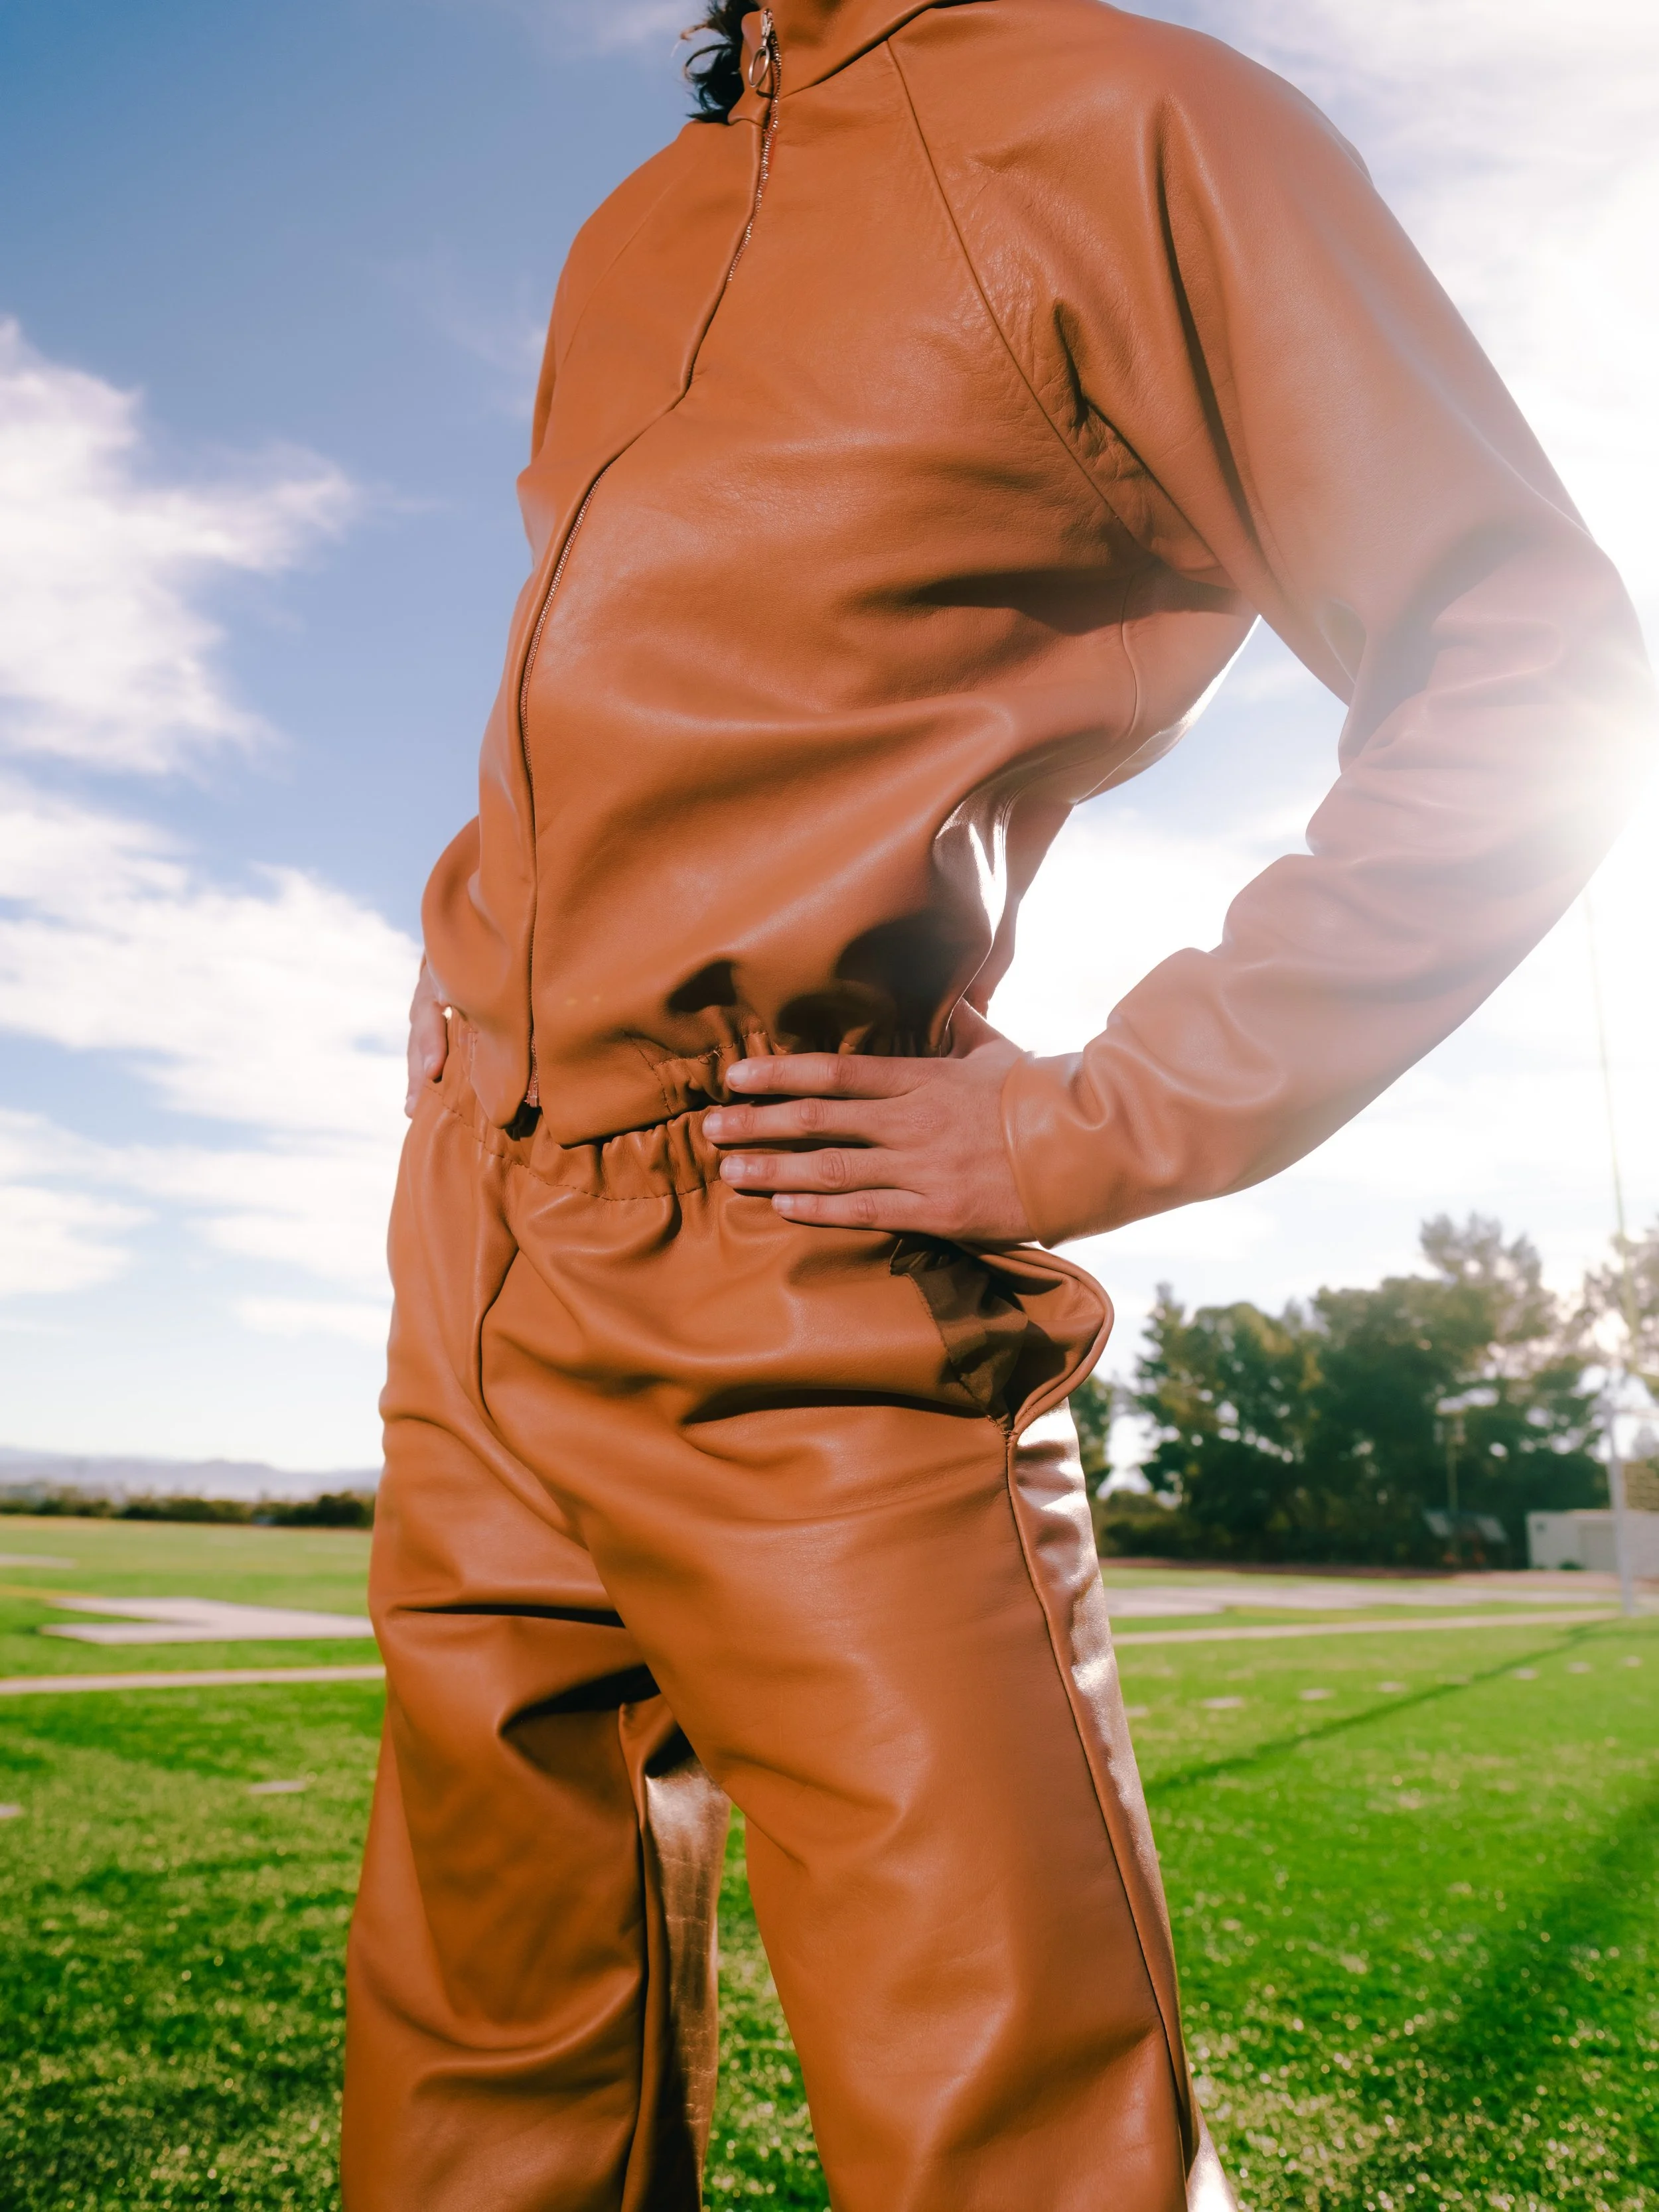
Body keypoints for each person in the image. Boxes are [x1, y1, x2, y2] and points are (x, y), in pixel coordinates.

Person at [340, 1, 1653, 2205]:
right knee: (477, 2094)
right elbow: (622, 674)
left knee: (1016, 2138)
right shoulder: (633, 226)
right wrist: (463, 962)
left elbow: (1525, 665)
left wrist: (1092, 1118)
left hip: (798, 1248)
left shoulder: (1135, 122)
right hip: (473, 1246)